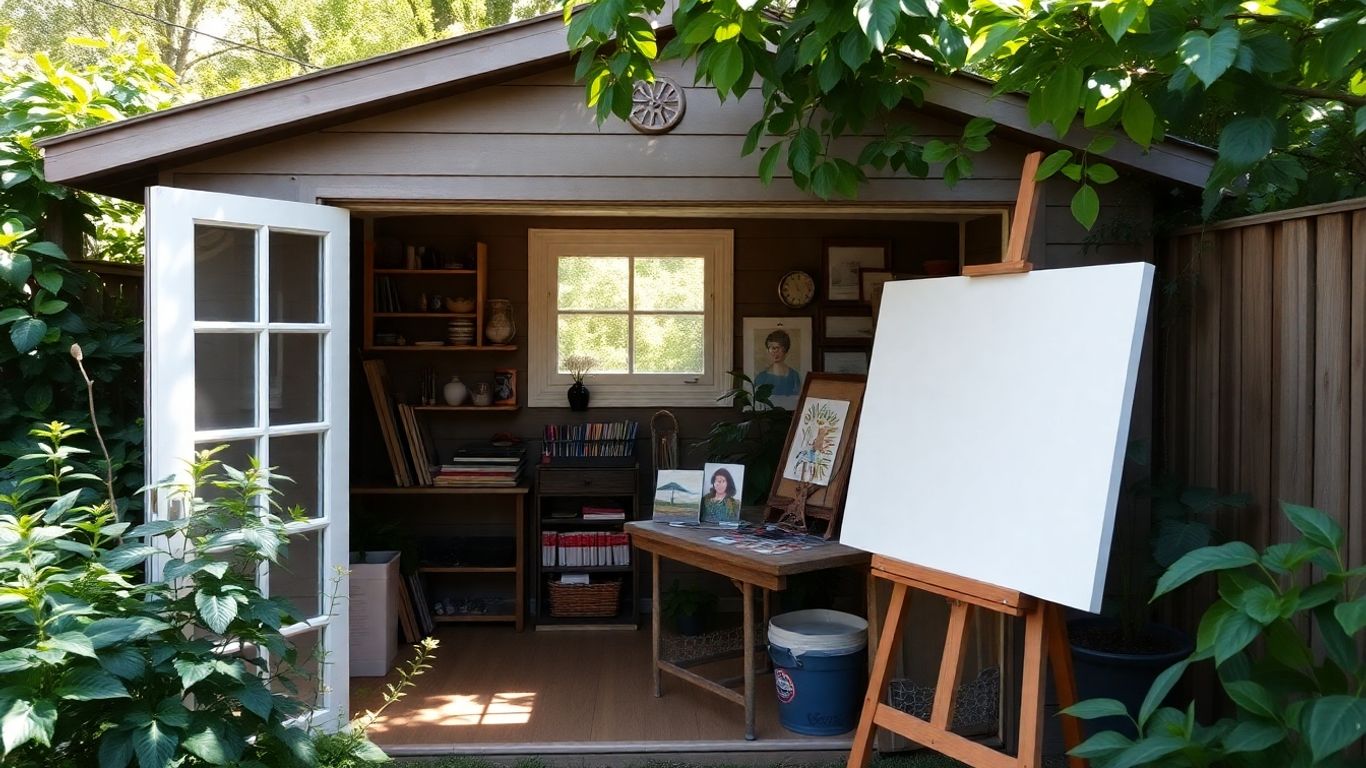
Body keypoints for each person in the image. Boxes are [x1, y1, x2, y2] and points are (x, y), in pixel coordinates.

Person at [754, 329, 801, 397]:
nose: (775, 352)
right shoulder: (761, 377)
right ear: (767, 350)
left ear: (786, 350)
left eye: (779, 348)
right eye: (772, 348)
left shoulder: (794, 376)